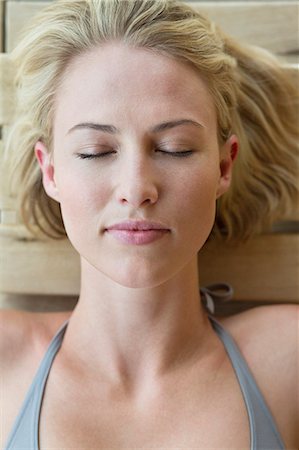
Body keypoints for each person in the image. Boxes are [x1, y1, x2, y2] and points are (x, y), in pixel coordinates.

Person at [1, 0, 298, 448]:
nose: (137, 187)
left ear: (223, 166)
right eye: (95, 152)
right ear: (52, 171)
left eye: (175, 148)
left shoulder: (288, 360)